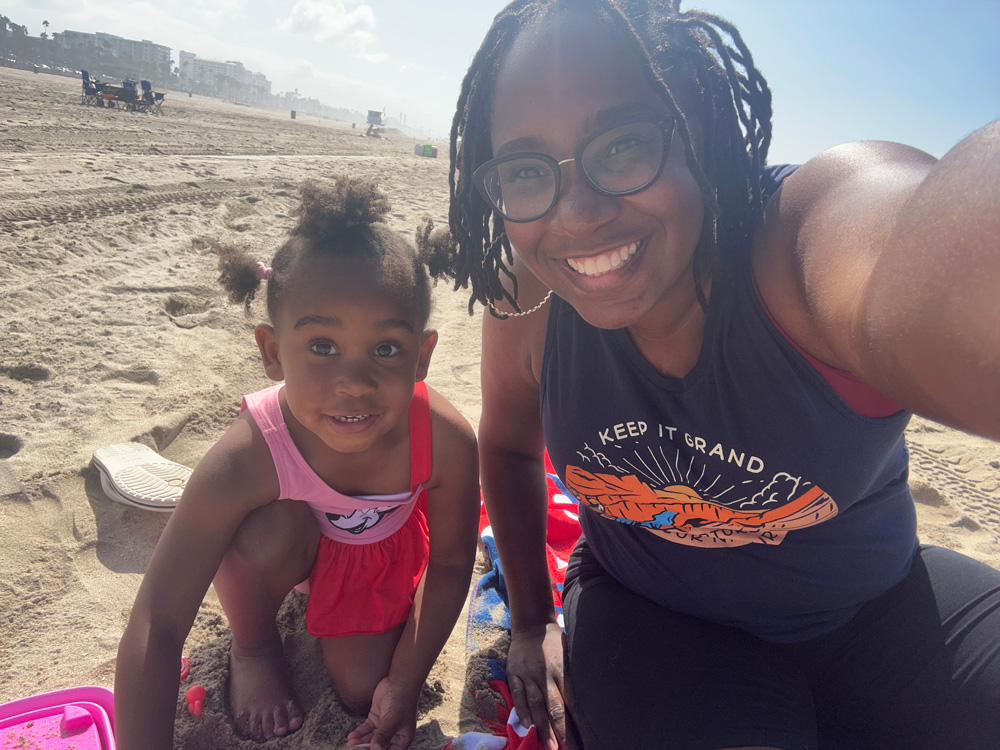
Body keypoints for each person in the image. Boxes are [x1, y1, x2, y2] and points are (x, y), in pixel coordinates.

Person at [446, 1, 1000, 749]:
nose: (575, 216)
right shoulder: (533, 297)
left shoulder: (799, 247)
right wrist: (532, 617)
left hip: (885, 610)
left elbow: (931, 250)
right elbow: (510, 445)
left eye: (623, 145)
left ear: (701, 134)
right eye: (524, 170)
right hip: (651, 617)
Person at [114, 177, 480, 750]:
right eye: (322, 346)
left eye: (385, 349)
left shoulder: (446, 441)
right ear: (271, 351)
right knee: (263, 533)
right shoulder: (250, 451)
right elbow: (157, 622)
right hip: (290, 540)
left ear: (422, 355)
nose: (353, 384)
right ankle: (255, 644)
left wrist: (405, 684)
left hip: (376, 550)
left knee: (364, 688)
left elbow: (455, 559)